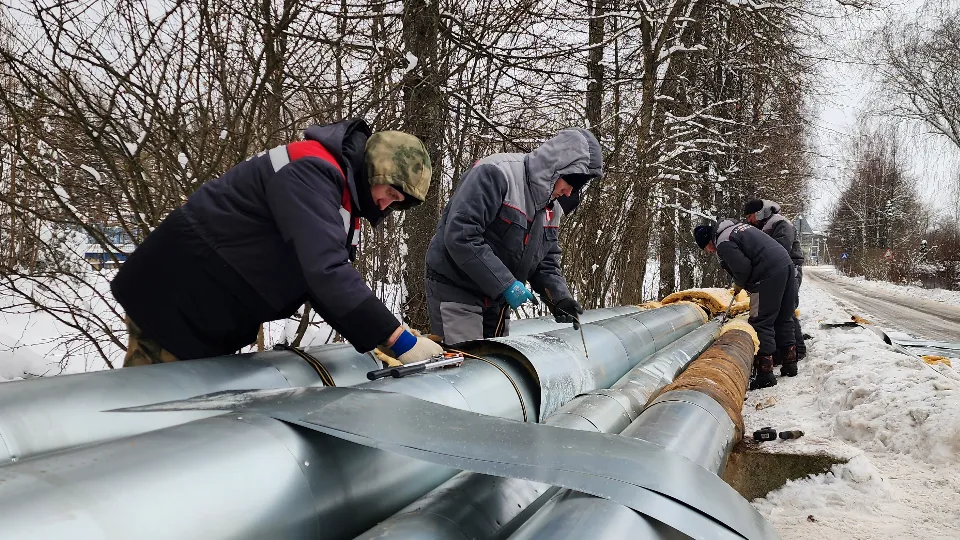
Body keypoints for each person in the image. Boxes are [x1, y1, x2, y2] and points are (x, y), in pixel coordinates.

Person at [111, 119, 443, 367]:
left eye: (397, 202)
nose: (386, 205)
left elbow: (324, 288)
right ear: (375, 170)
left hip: (204, 312)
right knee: (152, 415)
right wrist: (398, 340)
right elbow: (326, 272)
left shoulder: (341, 202)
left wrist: (381, 341)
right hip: (174, 299)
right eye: (390, 192)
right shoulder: (311, 171)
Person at [424, 128, 603, 344]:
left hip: (497, 300)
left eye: (576, 188)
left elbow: (545, 261)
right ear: (556, 169)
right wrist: (506, 284)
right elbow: (462, 235)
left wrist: (559, 298)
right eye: (569, 183)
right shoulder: (496, 174)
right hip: (457, 289)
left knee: (496, 367)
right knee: (468, 366)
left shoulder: (551, 207)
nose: (568, 193)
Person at [694, 219, 797, 389]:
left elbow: (743, 268)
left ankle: (765, 373)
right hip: (786, 264)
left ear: (708, 241)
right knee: (784, 316)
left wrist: (739, 284)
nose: (710, 251)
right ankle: (790, 362)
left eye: (707, 248)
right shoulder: (737, 229)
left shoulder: (723, 242)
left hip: (767, 273)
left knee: (760, 320)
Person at [743, 199, 806, 363]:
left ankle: (797, 350)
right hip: (779, 270)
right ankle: (784, 351)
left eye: (750, 216)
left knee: (787, 309)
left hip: (790, 269)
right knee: (780, 310)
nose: (749, 220)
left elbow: (780, 249)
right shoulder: (765, 226)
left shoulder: (780, 223)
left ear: (759, 213)